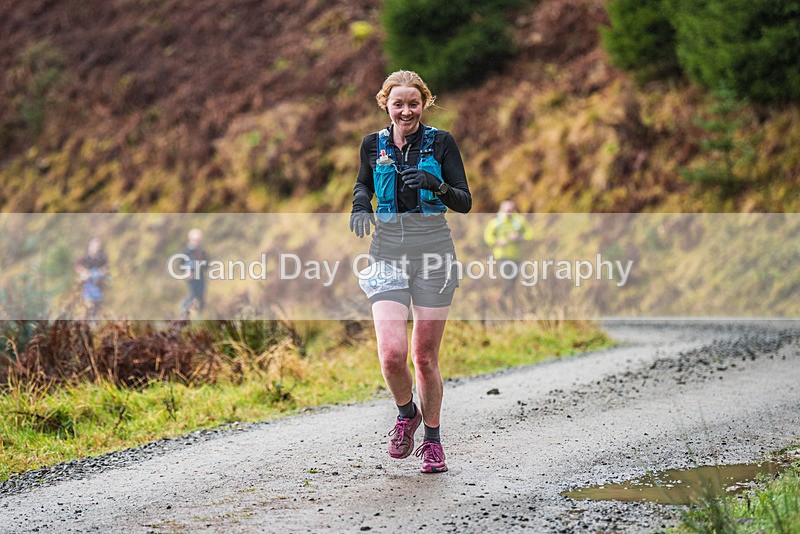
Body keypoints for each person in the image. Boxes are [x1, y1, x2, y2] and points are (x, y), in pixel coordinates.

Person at [350, 70, 472, 473]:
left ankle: (433, 442)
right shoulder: (372, 144)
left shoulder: (442, 142)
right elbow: (363, 185)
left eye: (413, 103)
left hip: (434, 255)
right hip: (386, 253)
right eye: (398, 103)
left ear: (425, 103)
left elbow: (464, 201)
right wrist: (359, 206)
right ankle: (407, 413)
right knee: (391, 354)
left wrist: (436, 185)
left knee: (423, 355)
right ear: (386, 103)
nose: (406, 111)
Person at [483, 200, 533, 315]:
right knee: (509, 280)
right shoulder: (495, 223)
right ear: (501, 210)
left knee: (514, 282)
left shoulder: (519, 221)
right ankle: (504, 303)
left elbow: (530, 233)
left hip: (516, 256)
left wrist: (519, 236)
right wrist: (497, 241)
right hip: (502, 256)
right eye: (506, 210)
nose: (509, 213)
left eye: (511, 210)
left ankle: (505, 303)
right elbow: (487, 237)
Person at [74, 237, 109, 319]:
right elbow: (77, 266)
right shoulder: (84, 258)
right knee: (87, 306)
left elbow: (106, 267)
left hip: (98, 286)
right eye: (95, 246)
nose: (96, 249)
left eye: (98, 247)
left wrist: (102, 271)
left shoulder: (102, 258)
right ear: (90, 246)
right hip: (86, 286)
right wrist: (85, 271)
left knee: (97, 307)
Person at [180, 228, 208, 317]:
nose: (197, 242)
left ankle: (198, 316)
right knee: (192, 295)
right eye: (196, 240)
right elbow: (182, 263)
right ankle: (184, 312)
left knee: (200, 296)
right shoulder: (187, 251)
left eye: (199, 240)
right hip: (191, 278)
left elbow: (206, 263)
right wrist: (187, 272)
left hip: (200, 276)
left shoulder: (201, 250)